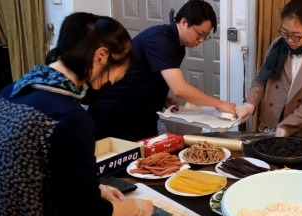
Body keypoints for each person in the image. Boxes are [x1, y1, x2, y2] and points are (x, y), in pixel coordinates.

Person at [0, 12, 153, 216]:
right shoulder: (68, 118)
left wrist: (93, 188)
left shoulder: (10, 91)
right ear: (102, 56)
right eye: (114, 78)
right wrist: (136, 207)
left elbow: (31, 171)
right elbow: (86, 214)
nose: (111, 84)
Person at [87, 0, 236, 141]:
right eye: (200, 34)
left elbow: (150, 73)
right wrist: (220, 104)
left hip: (142, 114)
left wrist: (160, 96)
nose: (201, 40)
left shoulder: (178, 45)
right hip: (115, 112)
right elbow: (180, 89)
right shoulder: (159, 39)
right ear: (183, 22)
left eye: (205, 36)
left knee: (146, 161)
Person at [235, 0, 302, 143]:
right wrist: (250, 104)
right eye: (285, 33)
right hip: (276, 121)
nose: (289, 40)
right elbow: (261, 79)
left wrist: (286, 127)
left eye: (296, 35)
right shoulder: (278, 45)